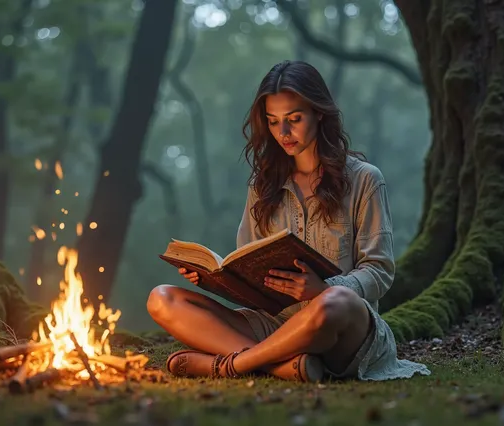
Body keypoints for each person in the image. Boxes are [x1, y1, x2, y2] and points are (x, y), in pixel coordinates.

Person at [146, 60, 431, 382]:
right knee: (163, 298)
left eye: (294, 119)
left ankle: (233, 364)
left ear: (319, 113)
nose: (283, 133)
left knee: (333, 301)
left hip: (339, 327)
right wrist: (218, 280)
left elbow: (379, 271)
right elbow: (250, 270)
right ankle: (283, 365)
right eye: (273, 121)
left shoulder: (365, 179)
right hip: (273, 324)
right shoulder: (262, 185)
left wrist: (322, 288)